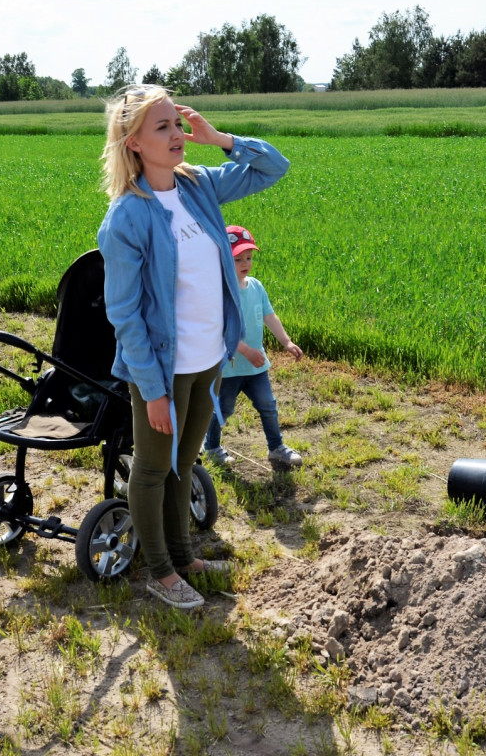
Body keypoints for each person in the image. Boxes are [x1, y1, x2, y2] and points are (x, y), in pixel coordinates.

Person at [98, 84, 289, 609]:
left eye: (178, 124)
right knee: (154, 468)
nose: (177, 134)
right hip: (162, 368)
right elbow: (126, 314)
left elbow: (276, 166)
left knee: (185, 462)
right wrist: (153, 391)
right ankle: (160, 573)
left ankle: (184, 556)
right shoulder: (128, 217)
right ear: (133, 142)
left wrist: (220, 137)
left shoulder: (198, 186)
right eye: (163, 127)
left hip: (211, 358)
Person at [203, 224, 304, 470]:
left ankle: (276, 448)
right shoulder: (221, 292)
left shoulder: (256, 287)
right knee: (223, 409)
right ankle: (212, 447)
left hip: (256, 368)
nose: (245, 262)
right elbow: (221, 331)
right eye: (238, 259)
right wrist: (246, 350)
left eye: (248, 257)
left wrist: (287, 341)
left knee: (268, 405)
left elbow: (270, 316)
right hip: (230, 368)